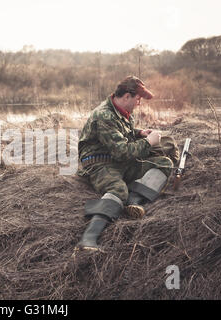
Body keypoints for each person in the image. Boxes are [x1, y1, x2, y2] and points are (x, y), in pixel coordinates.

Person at [76, 75, 178, 251]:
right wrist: (149, 143)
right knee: (118, 190)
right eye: (138, 99)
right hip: (99, 163)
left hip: (118, 160)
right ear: (126, 96)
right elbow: (122, 151)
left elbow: (121, 134)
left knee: (164, 163)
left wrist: (139, 134)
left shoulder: (122, 112)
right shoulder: (104, 115)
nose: (139, 104)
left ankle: (134, 200)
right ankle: (87, 240)